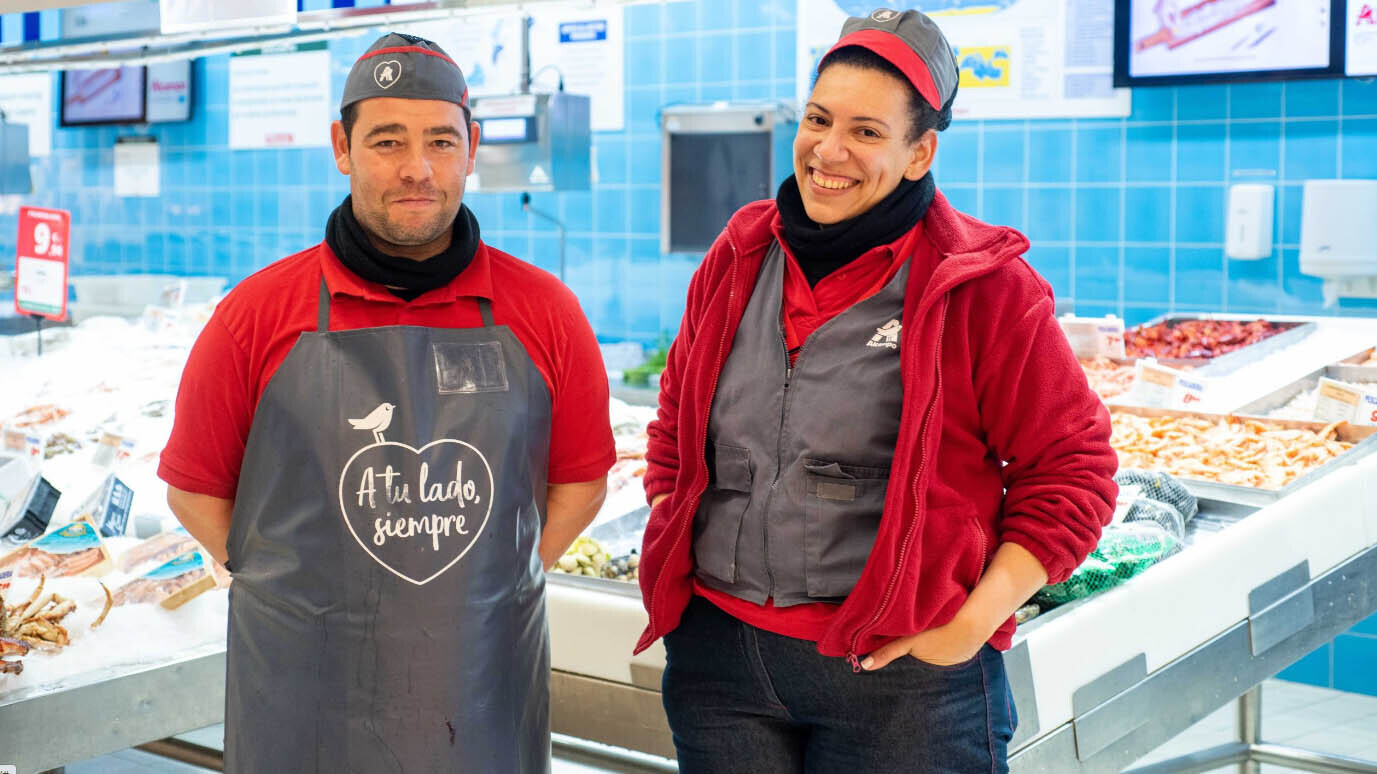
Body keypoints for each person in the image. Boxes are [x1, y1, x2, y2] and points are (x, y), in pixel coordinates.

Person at [635, 8, 1118, 772]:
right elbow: (673, 430)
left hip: (903, 687)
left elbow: (1071, 472)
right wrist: (673, 541)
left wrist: (967, 629)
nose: (828, 150)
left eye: (865, 131)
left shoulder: (981, 289)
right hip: (720, 667)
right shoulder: (735, 258)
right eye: (819, 119)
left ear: (920, 152)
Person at [159, 32, 614, 773]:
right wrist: (294, 587)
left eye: (440, 140)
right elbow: (195, 489)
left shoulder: (544, 311)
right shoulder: (255, 314)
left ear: (470, 149)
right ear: (341, 147)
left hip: (479, 689)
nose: (417, 169)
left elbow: (581, 480)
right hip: (300, 695)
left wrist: (483, 583)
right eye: (386, 141)